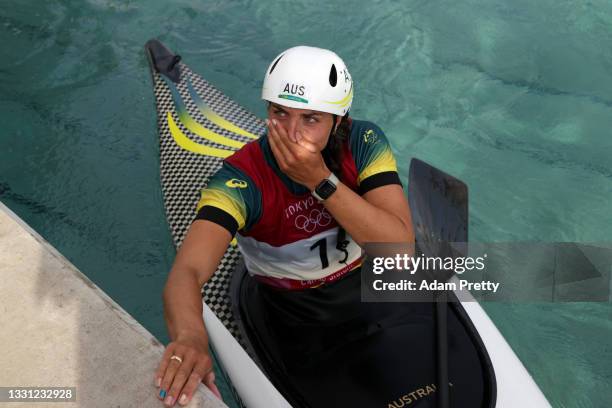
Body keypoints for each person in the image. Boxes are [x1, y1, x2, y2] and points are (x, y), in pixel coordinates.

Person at [154, 45, 414, 407]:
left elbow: (400, 251)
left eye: (311, 119)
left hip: (374, 294)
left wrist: (320, 181)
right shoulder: (239, 182)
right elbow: (188, 271)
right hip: (294, 318)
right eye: (280, 112)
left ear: (338, 121)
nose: (292, 134)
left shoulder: (363, 141)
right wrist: (191, 338)